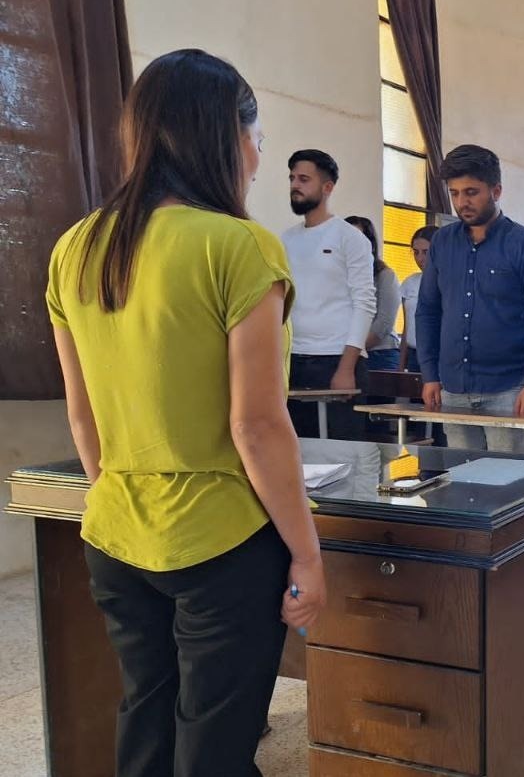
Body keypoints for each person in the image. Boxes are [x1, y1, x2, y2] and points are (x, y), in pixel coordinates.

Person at [45, 49, 325, 776]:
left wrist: (121, 494)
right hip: (220, 539)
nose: (258, 160)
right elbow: (257, 425)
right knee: (216, 739)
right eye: (256, 138)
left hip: (115, 531)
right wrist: (305, 551)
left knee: (147, 713)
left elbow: (84, 415)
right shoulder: (240, 245)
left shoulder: (76, 247)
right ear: (226, 136)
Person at [417, 144, 524, 453]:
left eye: (471, 192)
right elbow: (428, 311)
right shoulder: (443, 242)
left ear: (496, 191)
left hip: (508, 388)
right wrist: (429, 375)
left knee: (506, 478)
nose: (462, 202)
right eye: (455, 193)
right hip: (453, 387)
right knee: (461, 477)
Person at [281, 149, 375, 440]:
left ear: (327, 187)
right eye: (292, 178)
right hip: (294, 359)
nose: (295, 185)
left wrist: (347, 366)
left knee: (342, 452)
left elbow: (364, 303)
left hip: (337, 360)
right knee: (299, 449)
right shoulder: (285, 239)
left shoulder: (350, 238)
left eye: (304, 179)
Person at [344, 215, 401, 372]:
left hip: (379, 354)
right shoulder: (336, 275)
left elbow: (383, 323)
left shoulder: (385, 275)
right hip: (342, 353)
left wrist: (353, 350)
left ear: (370, 243)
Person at [398, 225, 438, 374]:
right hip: (414, 355)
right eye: (416, 252)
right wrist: (401, 365)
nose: (420, 258)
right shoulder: (410, 283)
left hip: (440, 355)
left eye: (426, 252)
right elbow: (407, 327)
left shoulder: (451, 283)